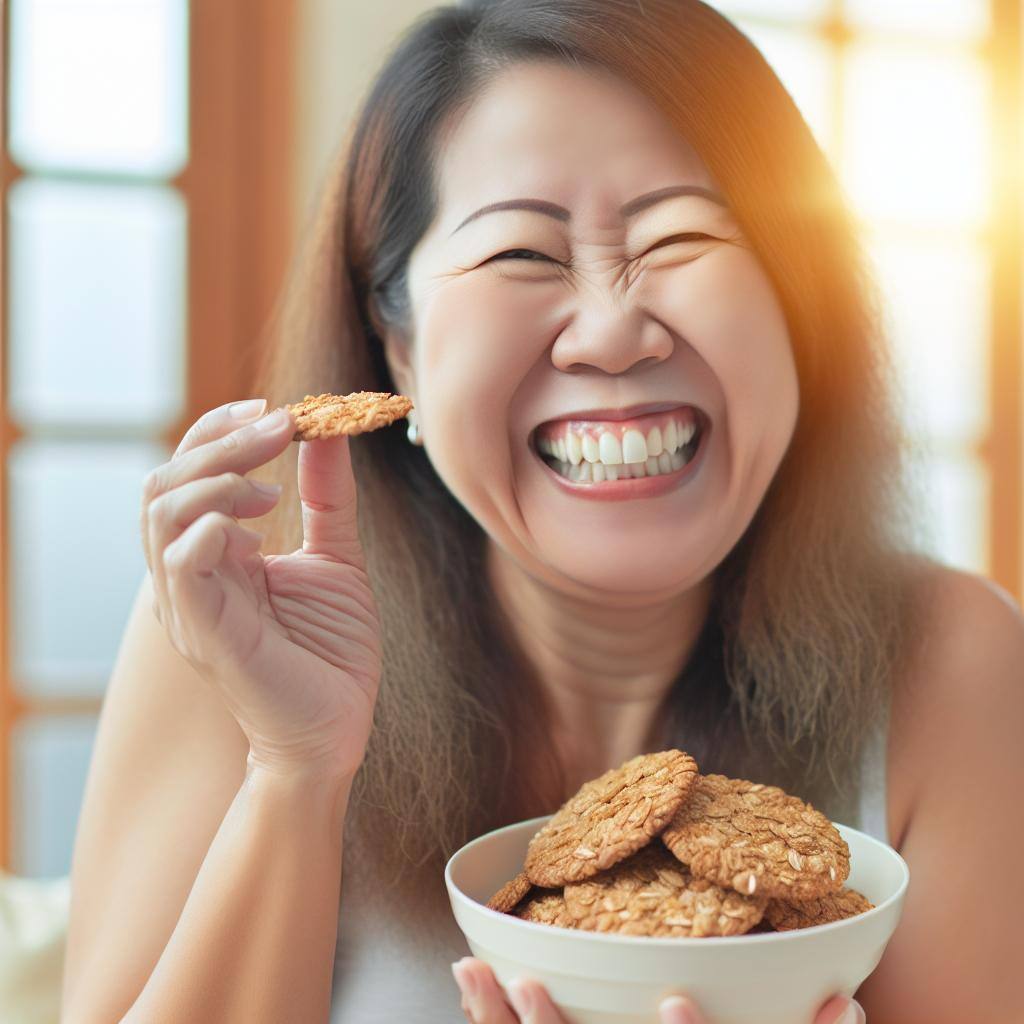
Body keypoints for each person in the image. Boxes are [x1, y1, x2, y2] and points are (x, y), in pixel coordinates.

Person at [61, 1, 1024, 1022]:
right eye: (521, 254)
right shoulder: (238, 633)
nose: (612, 331)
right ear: (399, 357)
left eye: (683, 234)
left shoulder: (949, 662)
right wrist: (293, 770)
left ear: (799, 308)